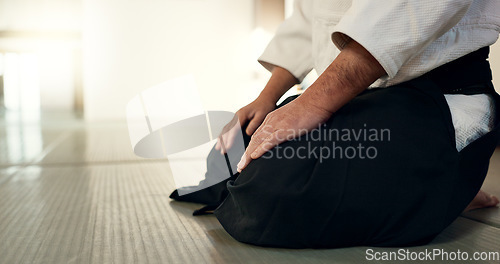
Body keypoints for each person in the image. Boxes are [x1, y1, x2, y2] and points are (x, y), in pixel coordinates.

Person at [174, 0, 500, 248]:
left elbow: (407, 12)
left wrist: (314, 102)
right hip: (356, 97)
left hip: (438, 97)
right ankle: (429, 187)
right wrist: (267, 99)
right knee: (228, 157)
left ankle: (450, 180)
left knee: (279, 187)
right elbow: (312, 16)